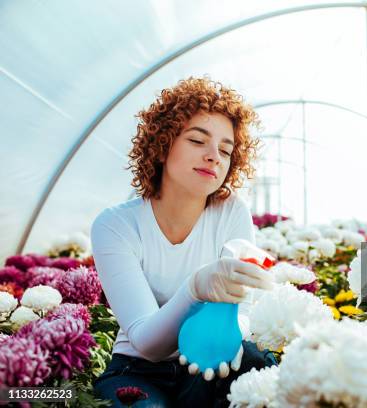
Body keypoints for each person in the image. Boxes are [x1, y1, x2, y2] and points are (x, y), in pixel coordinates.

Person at [90, 77, 276, 407]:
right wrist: (195, 289)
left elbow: (243, 310)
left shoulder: (231, 212)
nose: (213, 157)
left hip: (210, 361)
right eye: (197, 140)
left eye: (225, 150)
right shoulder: (117, 225)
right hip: (138, 370)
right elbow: (148, 343)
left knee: (262, 372)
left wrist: (231, 338)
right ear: (162, 144)